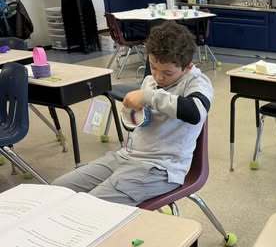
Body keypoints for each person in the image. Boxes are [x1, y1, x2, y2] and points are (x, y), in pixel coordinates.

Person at [53, 22, 213, 205]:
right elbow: (138, 125)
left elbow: (195, 112)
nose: (159, 77)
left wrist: (147, 96)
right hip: (128, 156)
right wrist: (131, 115)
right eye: (153, 67)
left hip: (161, 169)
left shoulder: (196, 82)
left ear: (187, 66)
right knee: (57, 189)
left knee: (89, 206)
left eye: (168, 73)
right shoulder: (150, 81)